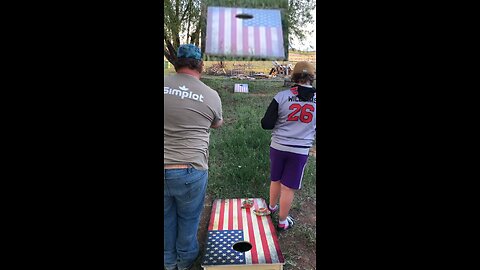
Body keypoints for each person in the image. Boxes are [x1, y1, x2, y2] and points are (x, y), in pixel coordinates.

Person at [164, 44, 223, 270]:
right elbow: (217, 124)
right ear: (200, 65)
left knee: (166, 218)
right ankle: (185, 261)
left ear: (176, 63)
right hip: (190, 168)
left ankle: (168, 261)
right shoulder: (211, 94)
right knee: (188, 218)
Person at [260, 61, 316, 231]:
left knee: (275, 178)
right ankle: (282, 222)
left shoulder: (282, 96)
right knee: (288, 187)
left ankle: (271, 208)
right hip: (299, 150)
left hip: (278, 146)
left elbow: (266, 124)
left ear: (294, 76)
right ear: (312, 77)